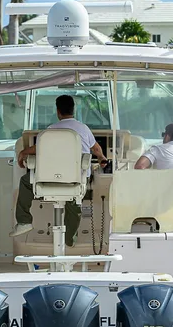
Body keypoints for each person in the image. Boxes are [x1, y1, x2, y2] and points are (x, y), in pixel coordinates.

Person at [10, 95, 108, 246]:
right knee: (75, 202)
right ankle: (70, 239)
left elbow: (37, 149)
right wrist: (101, 158)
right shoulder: (83, 129)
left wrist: (23, 153)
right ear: (73, 110)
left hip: (50, 181)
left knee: (25, 181)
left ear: (58, 111)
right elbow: (95, 148)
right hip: (76, 181)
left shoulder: (50, 131)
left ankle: (24, 221)